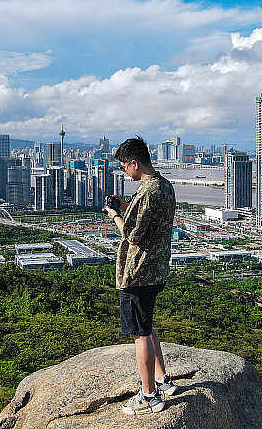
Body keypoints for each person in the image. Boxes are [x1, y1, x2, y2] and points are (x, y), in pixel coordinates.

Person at [104, 136, 178, 415]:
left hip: (139, 273)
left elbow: (132, 236)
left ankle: (149, 396)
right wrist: (126, 207)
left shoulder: (147, 193)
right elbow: (149, 219)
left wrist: (115, 215)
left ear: (135, 162)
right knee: (146, 326)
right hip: (157, 269)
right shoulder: (163, 186)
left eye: (124, 166)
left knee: (139, 333)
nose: (124, 170)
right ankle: (162, 378)